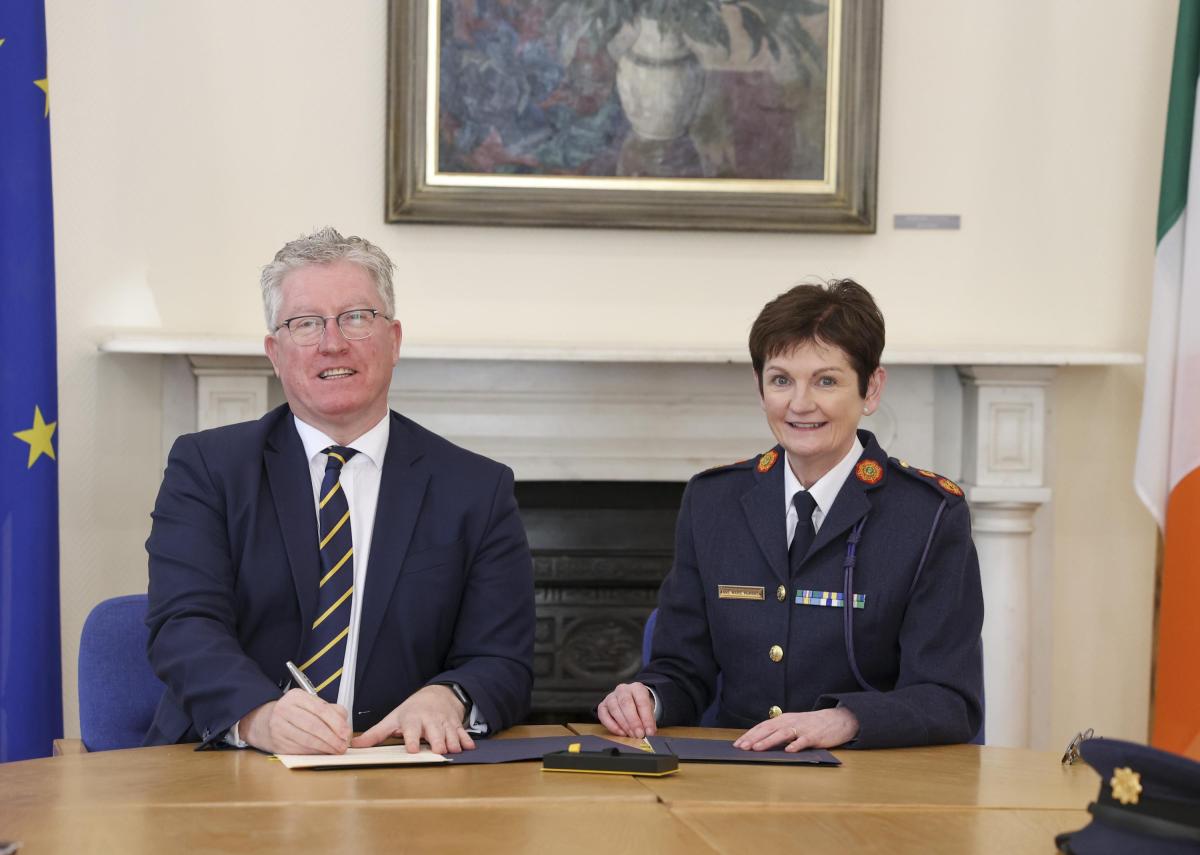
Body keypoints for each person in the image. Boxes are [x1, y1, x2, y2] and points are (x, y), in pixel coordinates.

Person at [144, 227, 534, 755]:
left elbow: (503, 659)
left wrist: (450, 696)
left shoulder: (477, 489)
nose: (333, 342)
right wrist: (259, 716)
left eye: (356, 317)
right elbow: (183, 625)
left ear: (394, 340)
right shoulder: (208, 468)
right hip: (234, 762)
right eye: (305, 324)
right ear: (274, 352)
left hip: (400, 766)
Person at [597, 280, 984, 750]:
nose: (800, 404)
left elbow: (950, 700)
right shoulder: (712, 501)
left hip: (865, 782)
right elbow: (682, 669)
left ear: (872, 388)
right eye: (781, 380)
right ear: (760, 388)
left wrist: (847, 719)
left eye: (826, 380)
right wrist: (646, 698)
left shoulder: (928, 515)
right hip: (733, 774)